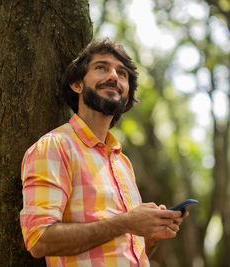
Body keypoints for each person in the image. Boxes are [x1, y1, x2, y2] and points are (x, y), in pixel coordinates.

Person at [19, 38, 188, 266]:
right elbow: (39, 240)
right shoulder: (54, 146)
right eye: (101, 68)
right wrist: (126, 222)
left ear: (126, 95)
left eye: (122, 73)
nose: (114, 76)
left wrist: (151, 235)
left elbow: (121, 249)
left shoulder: (122, 162)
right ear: (77, 84)